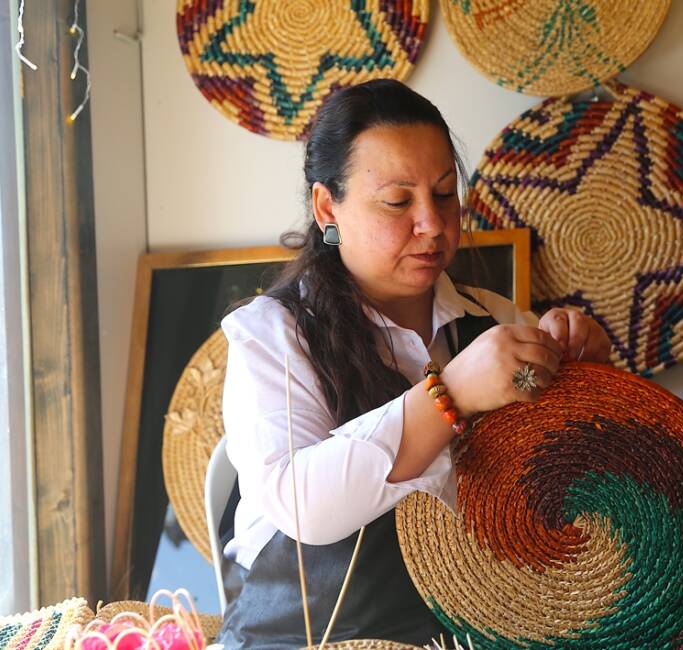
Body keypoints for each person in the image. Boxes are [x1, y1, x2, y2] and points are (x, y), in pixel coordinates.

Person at [216, 79, 611, 648]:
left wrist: (583, 382)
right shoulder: (273, 334)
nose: (431, 223)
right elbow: (302, 504)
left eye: (445, 194)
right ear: (328, 206)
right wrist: (449, 393)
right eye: (398, 202)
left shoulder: (496, 321)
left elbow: (565, 489)